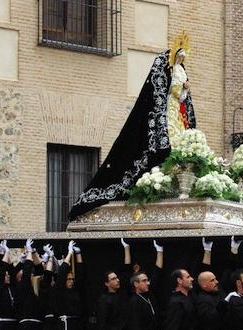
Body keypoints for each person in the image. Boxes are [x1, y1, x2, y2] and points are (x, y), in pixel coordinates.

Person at [68, 33, 196, 221]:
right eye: (180, 55)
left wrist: (184, 90)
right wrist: (181, 87)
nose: (181, 59)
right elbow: (169, 91)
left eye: (183, 57)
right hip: (167, 110)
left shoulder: (181, 70)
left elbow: (184, 98)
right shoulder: (167, 68)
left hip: (177, 112)